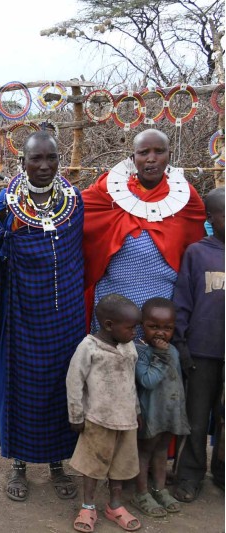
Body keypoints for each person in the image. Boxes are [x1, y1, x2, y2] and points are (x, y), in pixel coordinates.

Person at [0, 131, 85, 502]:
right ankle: (19, 464)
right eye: (35, 159)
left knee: (62, 383)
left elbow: (75, 256)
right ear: (22, 162)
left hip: (65, 313)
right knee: (22, 384)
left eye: (51, 158)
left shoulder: (74, 201)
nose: (44, 166)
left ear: (59, 160)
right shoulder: (5, 206)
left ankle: (58, 462)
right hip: (22, 313)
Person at [82, 129, 206, 333]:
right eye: (143, 152)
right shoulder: (108, 191)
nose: (151, 159)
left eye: (159, 151)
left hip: (162, 305)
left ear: (170, 156)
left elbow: (193, 245)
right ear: (133, 158)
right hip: (114, 301)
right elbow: (79, 212)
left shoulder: (184, 196)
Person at [66, 294, 142, 533]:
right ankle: (88, 506)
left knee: (120, 467)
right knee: (93, 467)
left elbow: (131, 382)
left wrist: (137, 410)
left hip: (126, 421)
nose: (135, 333)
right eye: (130, 328)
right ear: (109, 325)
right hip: (98, 420)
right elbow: (74, 382)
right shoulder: (88, 348)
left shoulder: (129, 347)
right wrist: (76, 415)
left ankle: (115, 506)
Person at [172, 186, 225, 502]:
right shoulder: (197, 252)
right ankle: (190, 475)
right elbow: (182, 301)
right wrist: (181, 343)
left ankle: (221, 470)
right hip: (202, 352)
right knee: (196, 414)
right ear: (210, 218)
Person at [132, 297, 189, 518]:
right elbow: (147, 381)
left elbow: (175, 382)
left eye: (167, 328)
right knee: (145, 451)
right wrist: (161, 356)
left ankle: (159, 489)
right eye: (153, 326)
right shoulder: (139, 352)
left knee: (162, 451)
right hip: (150, 414)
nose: (160, 333)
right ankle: (141, 492)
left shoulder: (173, 351)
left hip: (169, 413)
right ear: (142, 325)